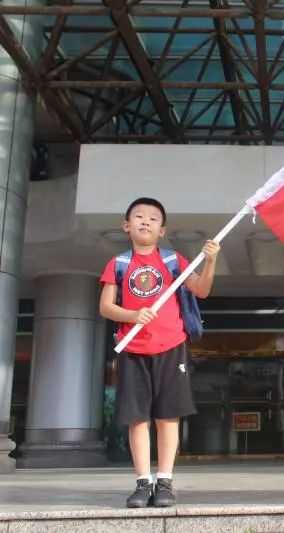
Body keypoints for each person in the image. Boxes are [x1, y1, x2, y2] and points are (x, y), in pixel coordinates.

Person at [99, 197, 220, 507]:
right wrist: (133, 315)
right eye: (138, 216)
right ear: (126, 225)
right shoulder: (119, 264)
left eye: (153, 219)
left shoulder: (173, 260)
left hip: (171, 348)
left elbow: (202, 291)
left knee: (168, 417)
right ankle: (142, 483)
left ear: (162, 230)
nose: (145, 221)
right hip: (133, 349)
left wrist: (211, 261)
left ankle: (164, 481)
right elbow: (105, 307)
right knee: (137, 419)